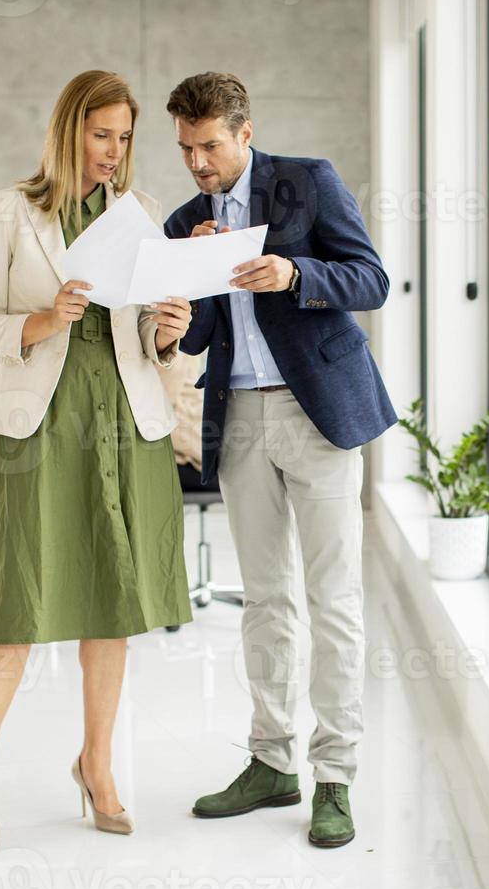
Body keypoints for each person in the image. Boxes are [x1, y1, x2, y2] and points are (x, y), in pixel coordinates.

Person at [0, 69, 194, 854]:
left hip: (124, 424)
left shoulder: (141, 214)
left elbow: (147, 344)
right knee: (16, 607)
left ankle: (97, 764)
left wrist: (167, 327)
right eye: (102, 135)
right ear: (68, 132)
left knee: (112, 605)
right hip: (40, 427)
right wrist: (40, 319)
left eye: (125, 138)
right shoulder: (14, 211)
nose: (114, 152)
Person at [164, 72, 395, 848]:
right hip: (239, 416)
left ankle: (336, 776)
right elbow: (191, 336)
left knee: (333, 599)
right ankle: (271, 761)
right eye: (186, 149)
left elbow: (372, 280)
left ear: (245, 132)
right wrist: (176, 306)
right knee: (265, 599)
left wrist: (297, 274)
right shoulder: (184, 221)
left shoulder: (307, 183)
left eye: (210, 146)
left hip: (317, 410)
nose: (198, 164)